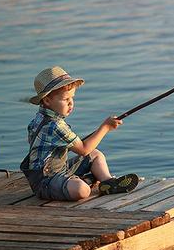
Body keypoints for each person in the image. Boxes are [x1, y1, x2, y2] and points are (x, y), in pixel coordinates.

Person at [20, 66, 139, 201]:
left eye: (72, 98)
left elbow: (83, 149)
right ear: (47, 100)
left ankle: (108, 182)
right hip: (45, 181)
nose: (71, 103)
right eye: (66, 99)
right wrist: (105, 127)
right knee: (82, 190)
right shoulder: (54, 125)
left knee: (95, 155)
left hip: (59, 169)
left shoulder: (39, 118)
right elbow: (83, 149)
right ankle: (86, 181)